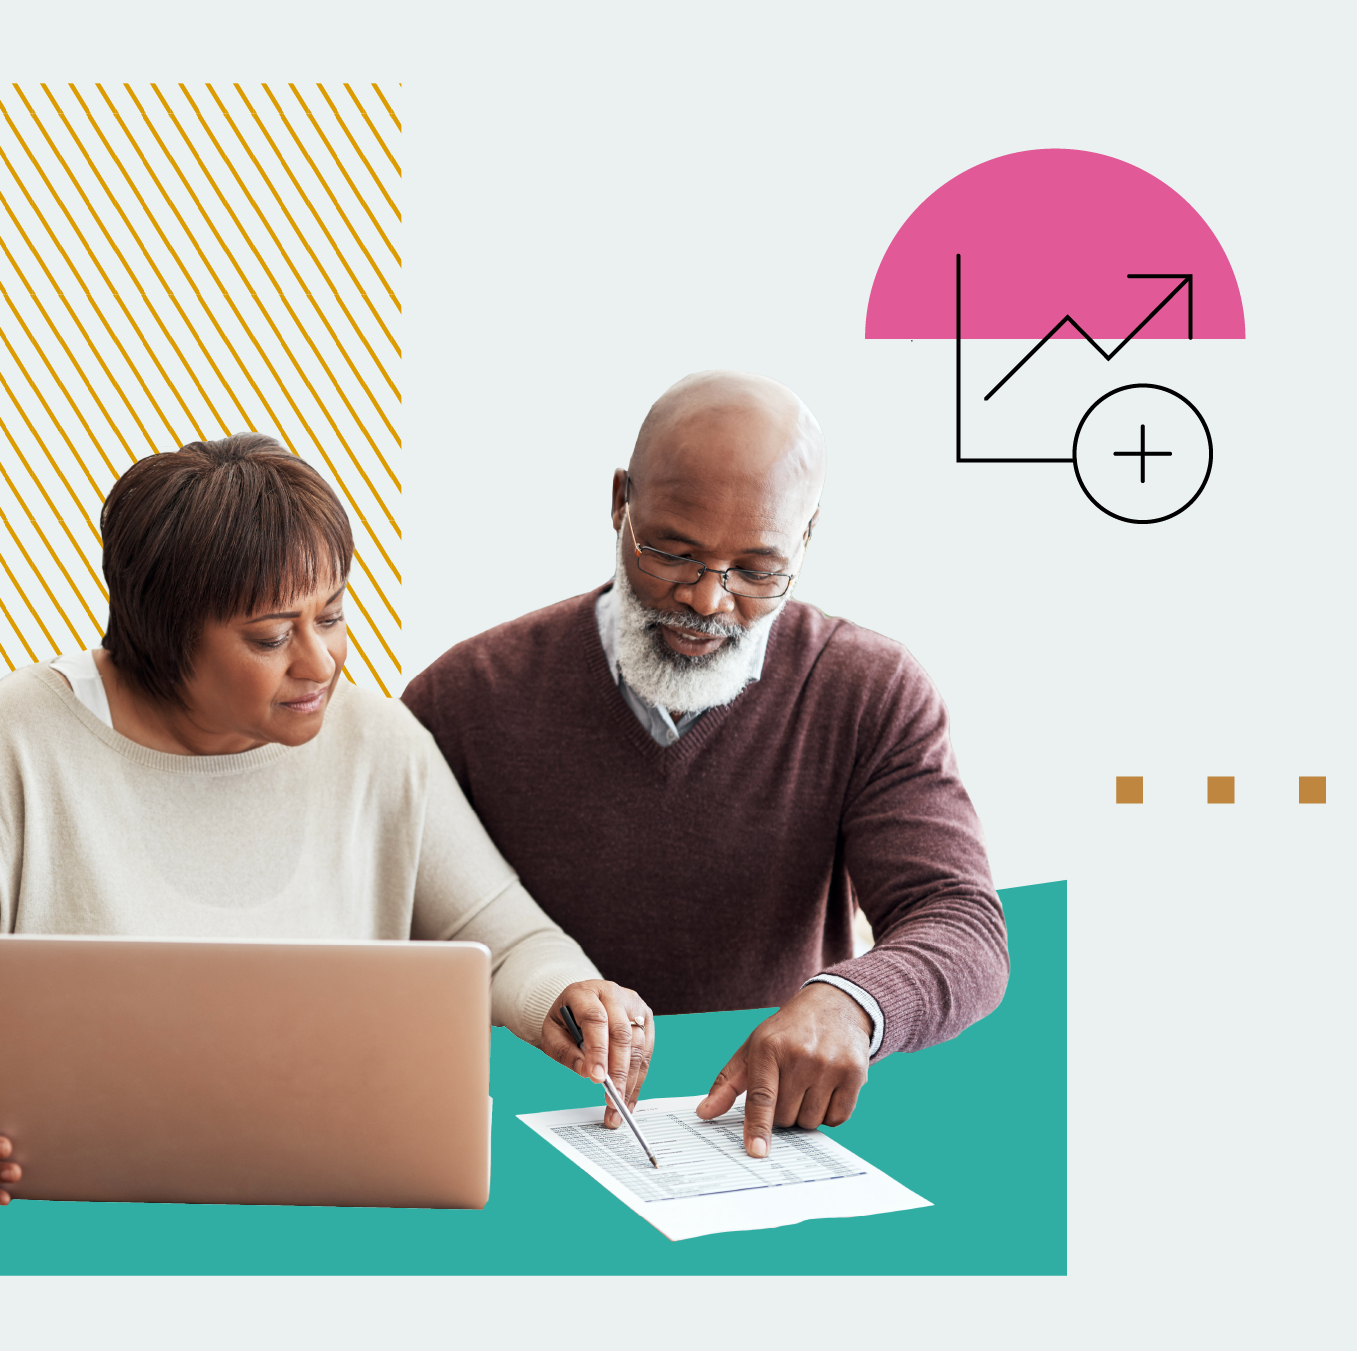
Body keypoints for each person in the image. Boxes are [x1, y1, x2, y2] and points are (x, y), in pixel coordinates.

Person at [0, 433, 652, 1205]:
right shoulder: (23, 734)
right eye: (270, 636)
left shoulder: (378, 741)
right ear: (161, 638)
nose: (320, 661)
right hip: (66, 1198)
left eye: (331, 616)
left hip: (337, 1192)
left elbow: (507, 937)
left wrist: (564, 991)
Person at [401, 371, 1009, 1161]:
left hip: (755, 1137)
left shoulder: (867, 690)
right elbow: (385, 936)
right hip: (514, 1130)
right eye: (673, 552)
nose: (707, 600)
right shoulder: (466, 696)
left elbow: (962, 921)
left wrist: (852, 1001)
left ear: (805, 539)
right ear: (619, 502)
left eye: (756, 570)